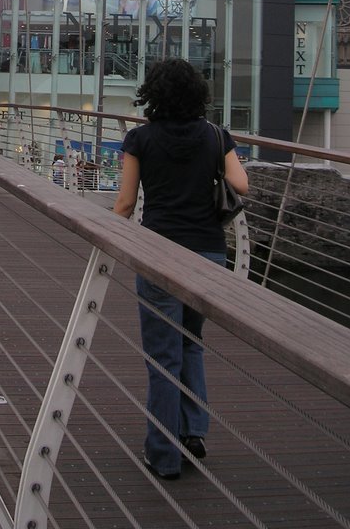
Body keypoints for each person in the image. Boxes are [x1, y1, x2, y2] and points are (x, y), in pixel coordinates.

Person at [114, 58, 248, 480]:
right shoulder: (215, 136)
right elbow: (241, 185)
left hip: (159, 254)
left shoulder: (140, 139)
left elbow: (125, 204)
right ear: (197, 93)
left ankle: (163, 455)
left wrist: (107, 240)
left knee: (163, 357)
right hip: (209, 254)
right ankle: (194, 434)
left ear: (152, 93)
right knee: (191, 343)